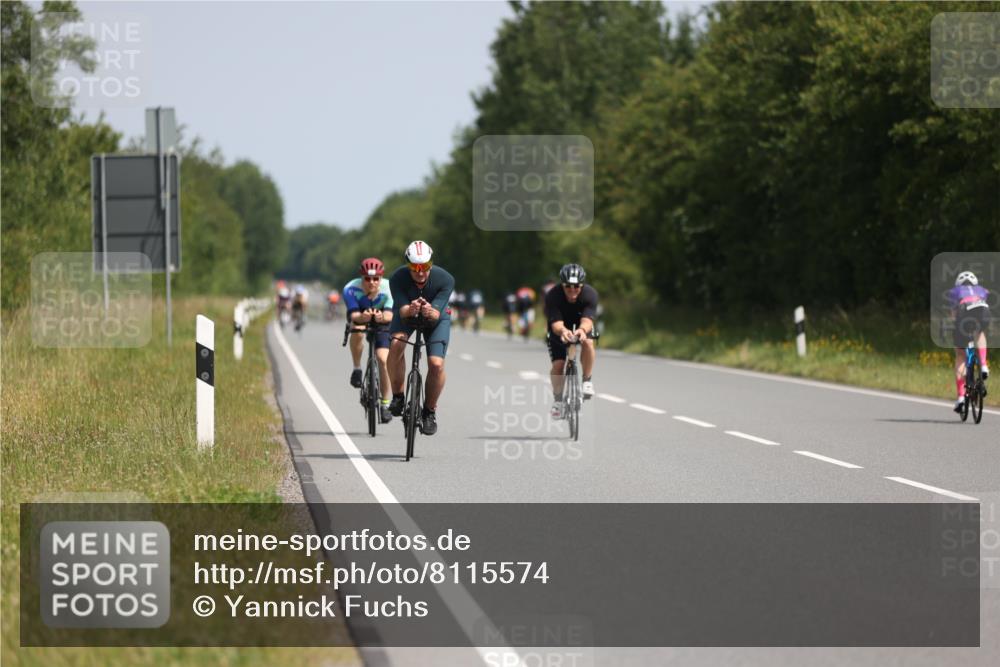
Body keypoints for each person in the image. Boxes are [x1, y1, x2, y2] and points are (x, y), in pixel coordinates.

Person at [386, 240, 455, 436]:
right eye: (414, 268)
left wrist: (429, 310)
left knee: (436, 364)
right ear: (407, 266)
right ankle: (398, 396)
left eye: (425, 267)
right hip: (407, 315)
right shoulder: (397, 278)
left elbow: (435, 314)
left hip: (436, 318)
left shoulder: (445, 279)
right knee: (397, 343)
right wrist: (412, 308)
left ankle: (429, 411)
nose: (420, 272)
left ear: (431, 264)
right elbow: (402, 309)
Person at [343, 258, 395, 423]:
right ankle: (357, 368)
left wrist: (381, 317)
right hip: (360, 315)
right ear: (361, 277)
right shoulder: (350, 288)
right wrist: (363, 317)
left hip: (382, 321)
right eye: (367, 278)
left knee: (382, 359)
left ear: (381, 278)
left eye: (375, 279)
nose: (371, 282)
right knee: (357, 331)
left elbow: (389, 315)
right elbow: (353, 315)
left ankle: (385, 404)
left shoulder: (389, 289)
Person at [545, 263, 599, 418]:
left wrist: (582, 331)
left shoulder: (590, 294)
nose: (572, 290)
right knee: (558, 365)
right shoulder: (553, 295)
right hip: (559, 327)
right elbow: (555, 323)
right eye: (568, 286)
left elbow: (588, 320)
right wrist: (563, 331)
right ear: (562, 284)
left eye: (576, 286)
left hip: (582, 324)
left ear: (582, 285)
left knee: (588, 343)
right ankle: (558, 401)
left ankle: (587, 380)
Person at [948, 270, 991, 412]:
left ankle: (961, 398)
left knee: (960, 355)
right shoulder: (982, 289)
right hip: (982, 310)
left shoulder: (955, 291)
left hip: (963, 311)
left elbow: (954, 316)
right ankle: (984, 365)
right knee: (979, 333)